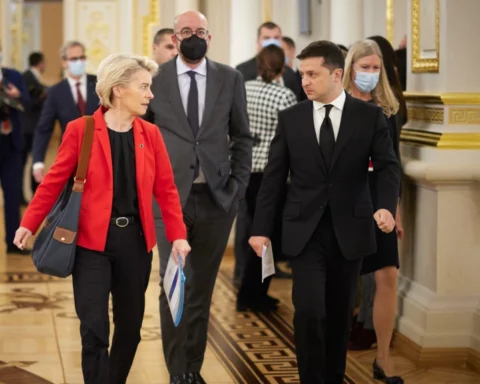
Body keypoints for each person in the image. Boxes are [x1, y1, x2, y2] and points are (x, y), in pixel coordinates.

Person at [14, 52, 190, 384]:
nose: (150, 94)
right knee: (94, 328)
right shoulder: (82, 130)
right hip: (91, 244)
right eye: (144, 86)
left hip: (135, 244)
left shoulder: (150, 134)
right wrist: (28, 223)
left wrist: (178, 234)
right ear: (119, 89)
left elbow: (166, 190)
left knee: (131, 327)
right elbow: (53, 181)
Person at [248, 41, 401, 383]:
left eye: (312, 74)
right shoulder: (291, 118)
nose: (305, 81)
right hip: (304, 230)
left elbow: (389, 168)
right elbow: (273, 178)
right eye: (302, 74)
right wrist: (260, 229)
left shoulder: (369, 117)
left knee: (339, 316)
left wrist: (387, 208)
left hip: (351, 229)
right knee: (310, 312)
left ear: (336, 74)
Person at [145, 10, 252, 384]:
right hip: (167, 199)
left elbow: (242, 136)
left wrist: (237, 186)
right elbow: (143, 136)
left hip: (216, 199)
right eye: (186, 31)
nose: (193, 36)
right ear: (174, 38)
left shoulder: (230, 77)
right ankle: (176, 371)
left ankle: (193, 368)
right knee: (173, 284)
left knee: (201, 288)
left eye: (200, 31)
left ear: (210, 37)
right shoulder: (155, 80)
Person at [344, 39, 404, 384]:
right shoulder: (337, 105)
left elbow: (391, 165)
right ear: (350, 68)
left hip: (379, 198)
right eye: (364, 67)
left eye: (375, 68)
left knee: (387, 276)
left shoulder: (387, 109)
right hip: (347, 198)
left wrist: (394, 209)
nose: (369, 74)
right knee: (346, 280)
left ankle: (383, 359)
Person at [236, 44, 297, 312]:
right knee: (266, 234)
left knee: (255, 230)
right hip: (271, 173)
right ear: (283, 67)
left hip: (245, 168)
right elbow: (293, 137)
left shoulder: (245, 88)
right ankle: (252, 293)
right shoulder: (284, 96)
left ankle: (253, 292)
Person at [32, 41, 99, 184]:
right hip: (70, 156)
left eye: (82, 57)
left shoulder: (100, 84)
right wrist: (38, 162)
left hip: (100, 153)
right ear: (64, 62)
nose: (79, 62)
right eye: (74, 59)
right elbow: (44, 129)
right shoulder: (55, 92)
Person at [0, 42, 31, 255]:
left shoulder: (14, 76)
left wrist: (17, 95)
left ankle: (13, 243)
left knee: (12, 196)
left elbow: (29, 102)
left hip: (12, 145)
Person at [236, 22, 302, 100]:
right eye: (266, 38)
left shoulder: (289, 72)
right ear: (258, 41)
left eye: (276, 38)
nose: (272, 41)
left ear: (281, 40)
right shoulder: (242, 70)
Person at [22, 51, 47, 199]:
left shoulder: (35, 78)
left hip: (35, 127)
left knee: (36, 161)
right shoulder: (27, 77)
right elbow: (27, 103)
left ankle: (35, 192)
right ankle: (22, 195)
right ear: (40, 62)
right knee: (24, 162)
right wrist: (42, 98)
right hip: (27, 127)